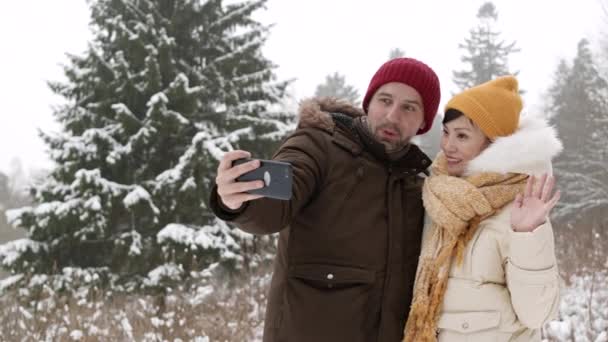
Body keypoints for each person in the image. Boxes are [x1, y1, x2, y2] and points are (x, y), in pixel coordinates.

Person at [209, 57, 441, 342]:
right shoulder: (317, 146)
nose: (393, 115)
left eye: (409, 107)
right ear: (369, 103)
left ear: (423, 123)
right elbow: (277, 200)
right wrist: (240, 200)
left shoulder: (419, 185)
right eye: (385, 100)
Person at [403, 76, 562, 342]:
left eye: (462, 135)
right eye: (446, 132)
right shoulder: (439, 197)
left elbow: (538, 314)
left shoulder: (519, 208)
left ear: (494, 143)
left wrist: (528, 235)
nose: (447, 145)